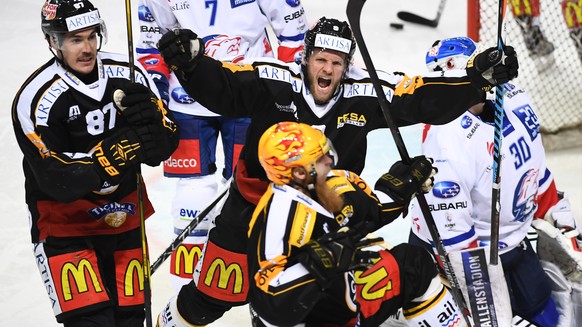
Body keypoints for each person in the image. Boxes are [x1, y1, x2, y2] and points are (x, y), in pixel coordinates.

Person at [154, 17, 519, 326]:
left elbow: (418, 98)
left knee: (327, 306)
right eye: (320, 59)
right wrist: (191, 65)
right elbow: (226, 86)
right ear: (305, 58)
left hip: (326, 224)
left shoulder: (362, 89)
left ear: (347, 65)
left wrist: (475, 80)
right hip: (250, 214)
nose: (327, 69)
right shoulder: (274, 80)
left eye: (337, 62)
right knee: (211, 296)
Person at [11, 0, 179, 326]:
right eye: (75, 39)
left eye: (92, 36)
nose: (87, 48)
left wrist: (157, 134)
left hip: (125, 219)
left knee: (130, 320)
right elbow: (56, 179)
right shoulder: (36, 99)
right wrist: (113, 155)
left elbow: (165, 142)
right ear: (53, 42)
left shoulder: (129, 74)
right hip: (65, 228)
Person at [135, 0, 308, 291]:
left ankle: (250, 281)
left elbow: (293, 33)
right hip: (203, 95)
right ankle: (190, 292)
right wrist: (155, 97)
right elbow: (154, 43)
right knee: (199, 193)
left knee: (248, 193)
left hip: (245, 93)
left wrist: (284, 92)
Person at [408, 36, 581, 326]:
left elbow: (533, 167)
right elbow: (455, 238)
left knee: (548, 312)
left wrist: (560, 219)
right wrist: (488, 308)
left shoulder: (514, 98)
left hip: (511, 242)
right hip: (452, 256)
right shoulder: (447, 139)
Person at [246, 122, 472, 327]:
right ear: (298, 173)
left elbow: (362, 211)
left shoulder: (321, 187)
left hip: (341, 295)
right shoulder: (281, 216)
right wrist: (318, 265)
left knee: (414, 264)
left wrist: (400, 188)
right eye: (319, 159)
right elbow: (270, 303)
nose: (329, 161)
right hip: (314, 318)